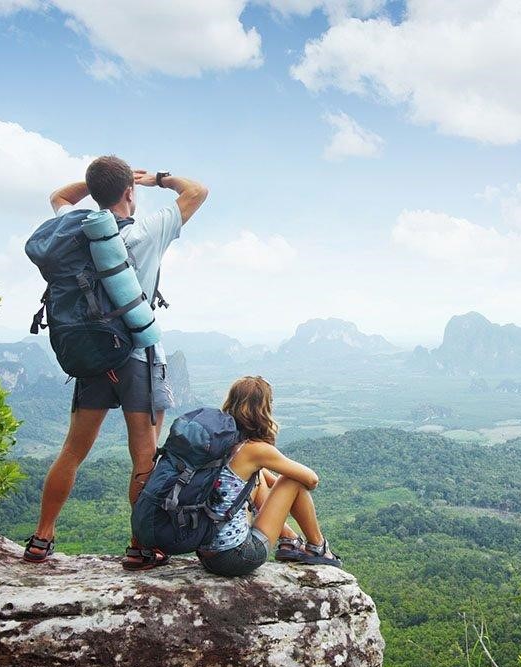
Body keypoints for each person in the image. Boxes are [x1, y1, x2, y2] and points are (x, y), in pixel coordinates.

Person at [23, 156, 208, 569]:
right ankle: (140, 545)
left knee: (72, 449)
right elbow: (197, 191)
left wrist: (98, 185)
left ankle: (41, 537)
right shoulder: (146, 230)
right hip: (133, 356)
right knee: (144, 454)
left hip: (91, 355)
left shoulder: (74, 228)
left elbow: (59, 196)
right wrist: (156, 179)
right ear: (130, 193)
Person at [198, 376, 341, 576]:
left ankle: (290, 541)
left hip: (208, 555)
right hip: (238, 557)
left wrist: (282, 496)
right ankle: (318, 547)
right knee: (292, 479)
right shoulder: (255, 450)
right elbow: (311, 479)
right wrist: (289, 491)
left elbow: (262, 480)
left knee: (261, 475)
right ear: (261, 409)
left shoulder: (223, 442)